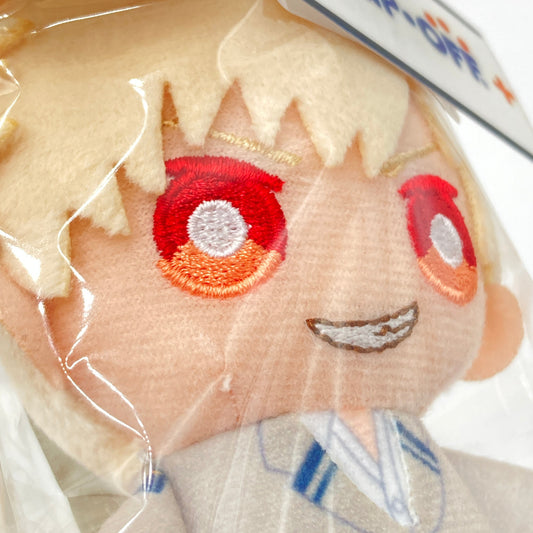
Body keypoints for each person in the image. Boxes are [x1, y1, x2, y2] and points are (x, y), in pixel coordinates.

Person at [0, 0, 529, 531]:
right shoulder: (192, 493)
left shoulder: (467, 479)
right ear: (30, 326)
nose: (356, 288)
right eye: (219, 224)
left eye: (434, 224)